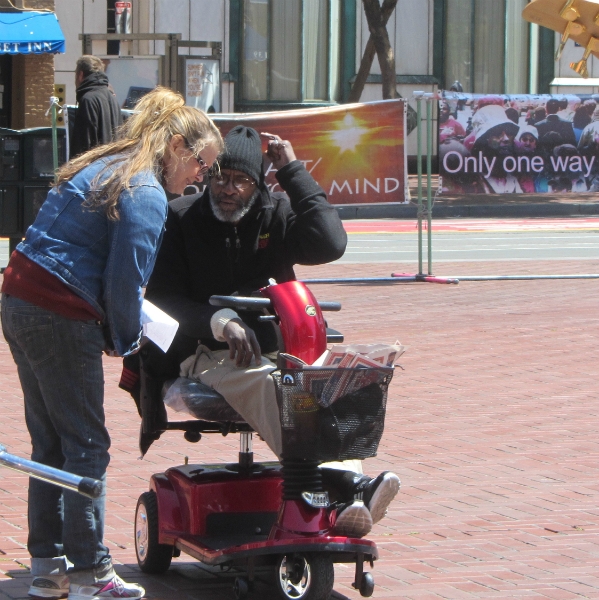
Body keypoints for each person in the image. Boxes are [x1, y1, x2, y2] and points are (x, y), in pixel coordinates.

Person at [1, 87, 223, 600]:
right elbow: (127, 284)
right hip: (58, 311)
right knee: (86, 444)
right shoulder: (145, 192)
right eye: (200, 164)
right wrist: (125, 342)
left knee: (52, 441)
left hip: (20, 298)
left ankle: (48, 566)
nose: (201, 178)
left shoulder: (110, 164)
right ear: (175, 145)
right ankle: (90, 573)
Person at [137, 125, 401, 539]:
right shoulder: (180, 218)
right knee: (275, 386)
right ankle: (347, 487)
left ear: (258, 184)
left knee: (318, 384)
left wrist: (293, 171)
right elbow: (162, 299)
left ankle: (341, 490)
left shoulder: (274, 212)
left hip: (276, 350)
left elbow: (331, 243)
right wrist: (220, 321)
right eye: (220, 177)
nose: (228, 189)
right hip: (204, 352)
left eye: (241, 181)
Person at [71, 55, 122, 158]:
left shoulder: (88, 99)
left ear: (80, 75)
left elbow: (84, 143)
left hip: (94, 168)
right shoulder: (113, 99)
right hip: (113, 165)